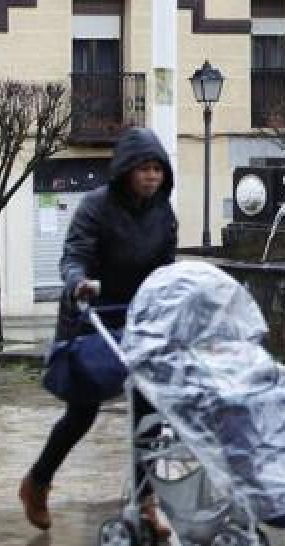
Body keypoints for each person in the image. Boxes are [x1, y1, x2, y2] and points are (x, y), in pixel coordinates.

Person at [19, 128, 177, 535]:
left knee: (149, 409)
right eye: (144, 167)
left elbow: (167, 268)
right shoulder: (95, 206)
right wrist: (78, 284)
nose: (151, 176)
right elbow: (74, 254)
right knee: (82, 412)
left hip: (139, 318)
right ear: (125, 170)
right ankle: (37, 482)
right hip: (93, 316)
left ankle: (145, 501)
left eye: (157, 168)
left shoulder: (163, 212)